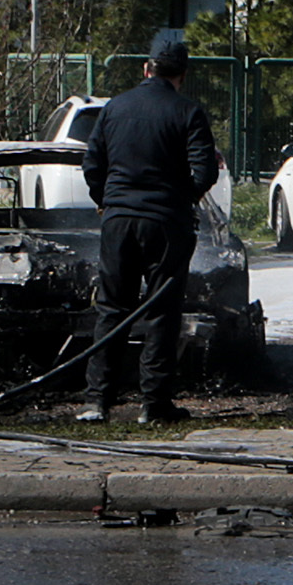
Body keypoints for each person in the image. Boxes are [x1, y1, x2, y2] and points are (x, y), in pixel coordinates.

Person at [78, 30, 227, 425]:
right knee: (162, 312)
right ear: (181, 75)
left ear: (146, 69)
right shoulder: (188, 112)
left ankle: (97, 401)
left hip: (118, 221)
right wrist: (181, 200)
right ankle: (154, 405)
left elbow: (92, 166)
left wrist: (106, 202)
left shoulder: (114, 108)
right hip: (166, 225)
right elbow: (206, 170)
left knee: (112, 308)